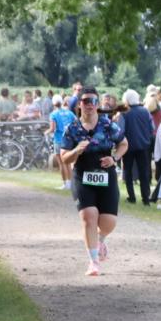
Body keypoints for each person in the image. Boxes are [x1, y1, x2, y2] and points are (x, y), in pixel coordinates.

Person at [59, 86, 129, 276]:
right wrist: (76, 151)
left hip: (106, 175)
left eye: (93, 101)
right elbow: (64, 157)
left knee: (109, 222)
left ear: (98, 105)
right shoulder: (72, 129)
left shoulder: (108, 125)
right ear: (79, 104)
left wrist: (114, 158)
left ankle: (100, 240)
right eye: (86, 101)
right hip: (82, 175)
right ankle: (94, 262)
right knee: (89, 217)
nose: (90, 105)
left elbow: (124, 143)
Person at [120, 89, 154, 206]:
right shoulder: (145, 111)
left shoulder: (124, 113)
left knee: (128, 172)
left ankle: (132, 197)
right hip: (143, 146)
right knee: (144, 172)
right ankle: (146, 199)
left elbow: (121, 130)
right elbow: (151, 128)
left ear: (127, 100)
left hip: (128, 147)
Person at [48, 95, 76, 189]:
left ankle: (65, 184)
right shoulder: (69, 113)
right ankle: (71, 184)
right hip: (69, 140)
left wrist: (46, 132)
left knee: (62, 163)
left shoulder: (53, 114)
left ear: (53, 103)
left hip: (59, 139)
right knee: (68, 162)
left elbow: (53, 128)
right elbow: (76, 123)